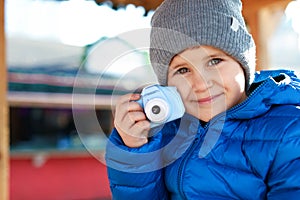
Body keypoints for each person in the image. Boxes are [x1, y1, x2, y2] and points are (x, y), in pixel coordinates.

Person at [105, 0, 300, 199]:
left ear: (243, 63)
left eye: (214, 61)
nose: (201, 83)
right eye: (183, 70)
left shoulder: (290, 131)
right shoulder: (165, 132)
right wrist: (134, 148)